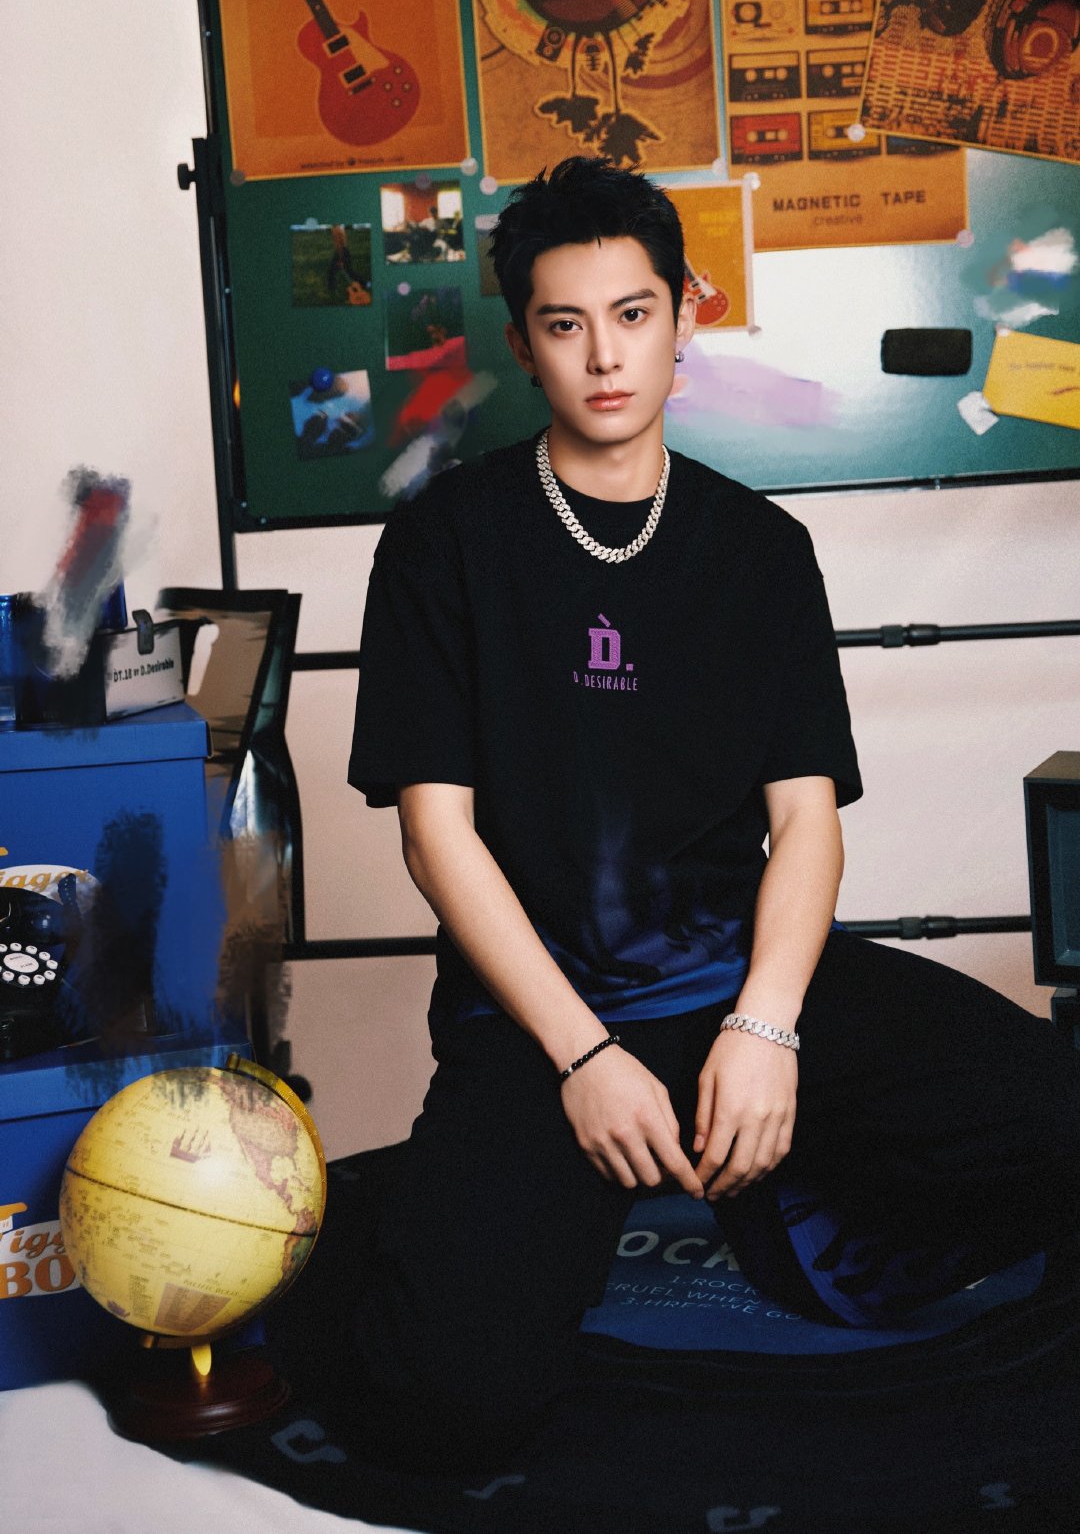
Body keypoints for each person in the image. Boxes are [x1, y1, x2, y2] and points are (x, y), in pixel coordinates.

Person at [347, 155, 1080, 1472]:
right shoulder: (445, 541)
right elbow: (434, 836)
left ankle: (789, 1188)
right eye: (566, 325)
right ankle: (459, 1199)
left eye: (633, 315)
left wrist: (766, 1025)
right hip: (540, 1019)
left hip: (741, 984)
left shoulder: (760, 550)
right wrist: (582, 1058)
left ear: (685, 315)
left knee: (1056, 1114)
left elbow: (808, 822)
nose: (604, 357)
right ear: (523, 342)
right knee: (456, 1405)